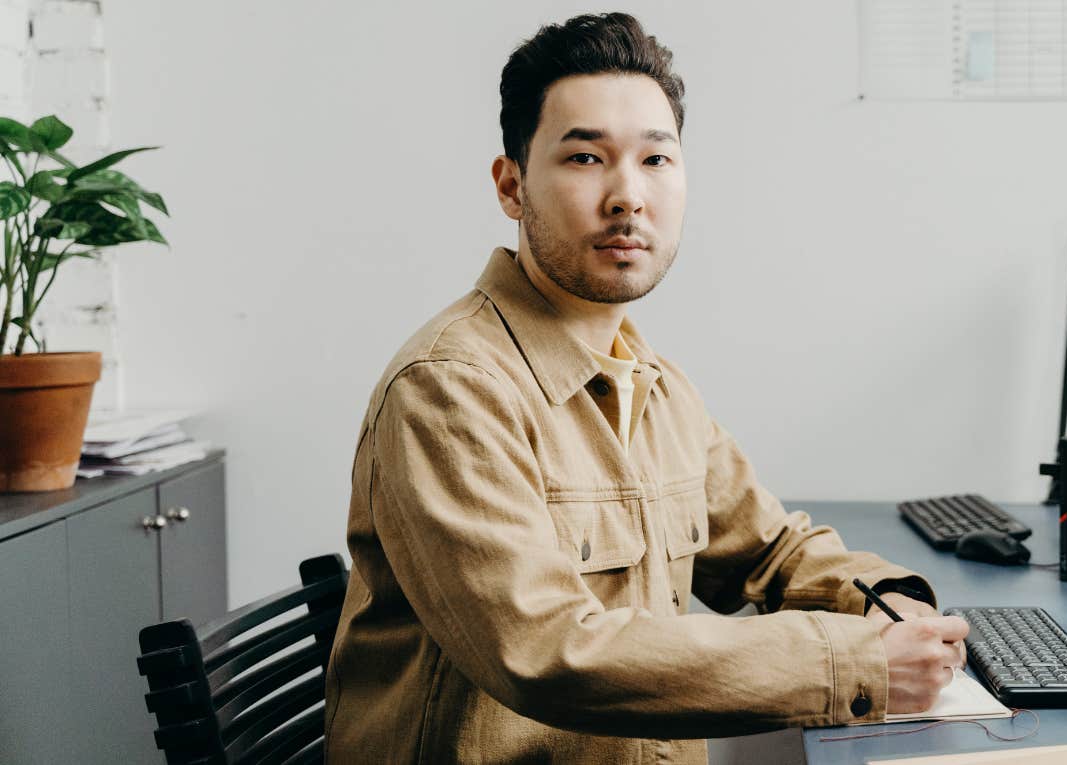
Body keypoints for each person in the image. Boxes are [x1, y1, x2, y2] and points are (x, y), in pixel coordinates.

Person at [324, 12, 968, 764]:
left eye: (655, 160)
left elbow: (770, 550)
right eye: (585, 158)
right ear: (511, 184)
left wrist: (894, 603)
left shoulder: (654, 382)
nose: (627, 196)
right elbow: (544, 648)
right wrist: (855, 663)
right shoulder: (450, 389)